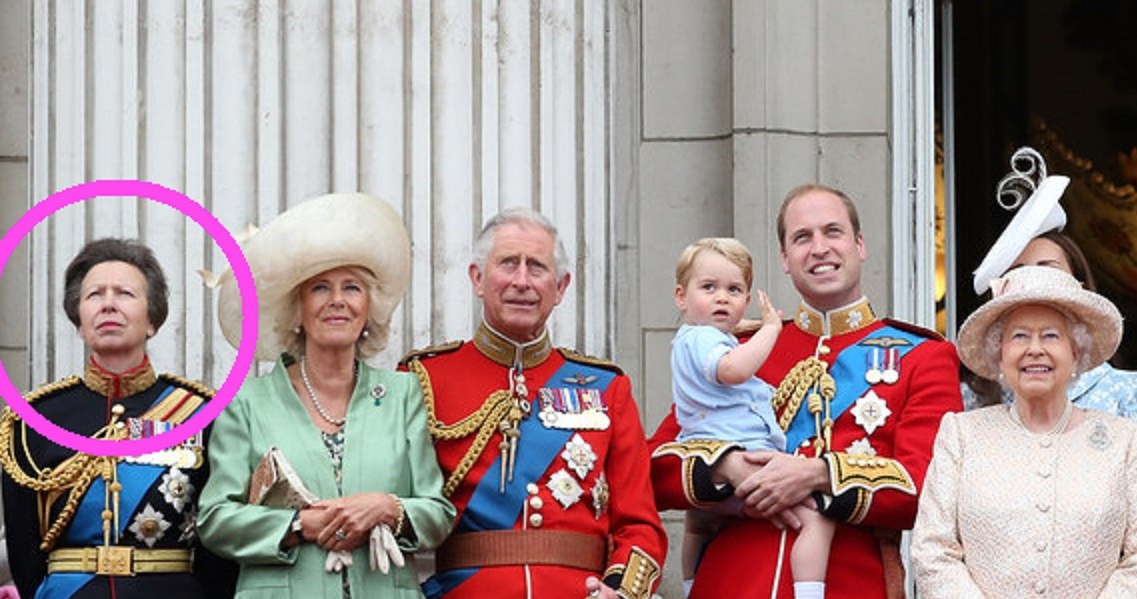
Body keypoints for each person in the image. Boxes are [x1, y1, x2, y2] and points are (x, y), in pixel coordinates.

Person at [648, 184, 963, 599]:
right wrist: (726, 467)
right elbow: (653, 469)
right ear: (784, 258)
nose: (819, 248)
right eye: (802, 237)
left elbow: (929, 488)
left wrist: (819, 474)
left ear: (860, 244)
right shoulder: (740, 350)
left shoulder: (922, 356)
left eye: (833, 232)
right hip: (731, 583)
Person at [197, 193, 456, 598]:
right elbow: (214, 519)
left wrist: (387, 508)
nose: (337, 301)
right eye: (320, 288)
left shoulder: (404, 395)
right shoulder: (246, 402)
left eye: (351, 288)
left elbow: (437, 514)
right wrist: (299, 526)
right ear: (296, 309)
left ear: (369, 308)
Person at [399, 208, 667, 599]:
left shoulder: (607, 386)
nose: (521, 281)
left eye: (537, 267)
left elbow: (640, 525)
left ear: (560, 287)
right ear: (477, 278)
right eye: (508, 264)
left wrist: (620, 591)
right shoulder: (424, 378)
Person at [0, 238, 235, 599]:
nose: (109, 304)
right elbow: (25, 548)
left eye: (124, 293)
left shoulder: (203, 412)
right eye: (95, 295)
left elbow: (217, 541)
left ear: (152, 320)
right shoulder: (32, 419)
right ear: (79, 321)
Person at [911, 265, 1137, 596]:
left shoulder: (1125, 440)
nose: (1035, 348)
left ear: (1076, 353)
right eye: (1019, 336)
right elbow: (933, 551)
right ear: (998, 354)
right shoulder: (961, 434)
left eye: (1051, 335)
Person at [670, 238, 832, 599]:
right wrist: (771, 329)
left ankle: (689, 587)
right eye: (709, 288)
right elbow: (732, 370)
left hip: (709, 455)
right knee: (817, 519)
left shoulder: (701, 338)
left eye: (733, 289)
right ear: (681, 297)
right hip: (739, 455)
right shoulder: (712, 342)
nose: (722, 298)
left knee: (698, 524)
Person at [962, 147, 1137, 417]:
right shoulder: (971, 400)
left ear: (1079, 286)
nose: (1033, 283)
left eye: (1048, 269)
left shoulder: (1127, 392)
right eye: (1018, 272)